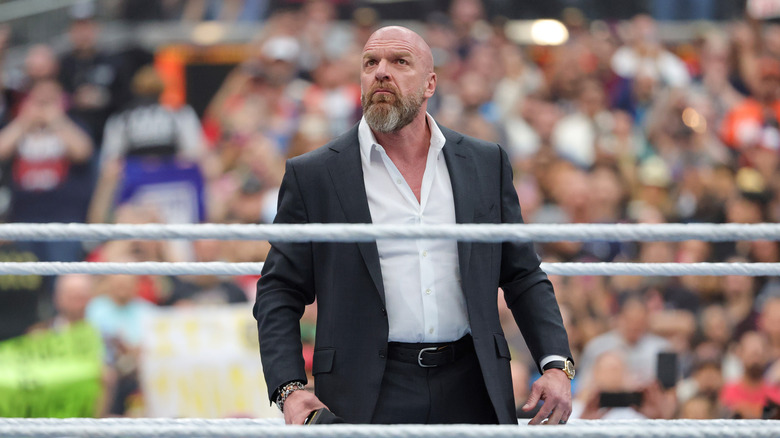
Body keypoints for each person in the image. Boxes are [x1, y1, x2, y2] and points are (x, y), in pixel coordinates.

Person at [254, 26, 573, 425]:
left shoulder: (484, 163)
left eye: (399, 62)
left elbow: (523, 274)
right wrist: (288, 388)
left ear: (430, 84)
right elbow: (278, 289)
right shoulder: (315, 174)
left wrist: (557, 363)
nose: (381, 72)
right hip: (364, 390)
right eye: (370, 62)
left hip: (472, 382)